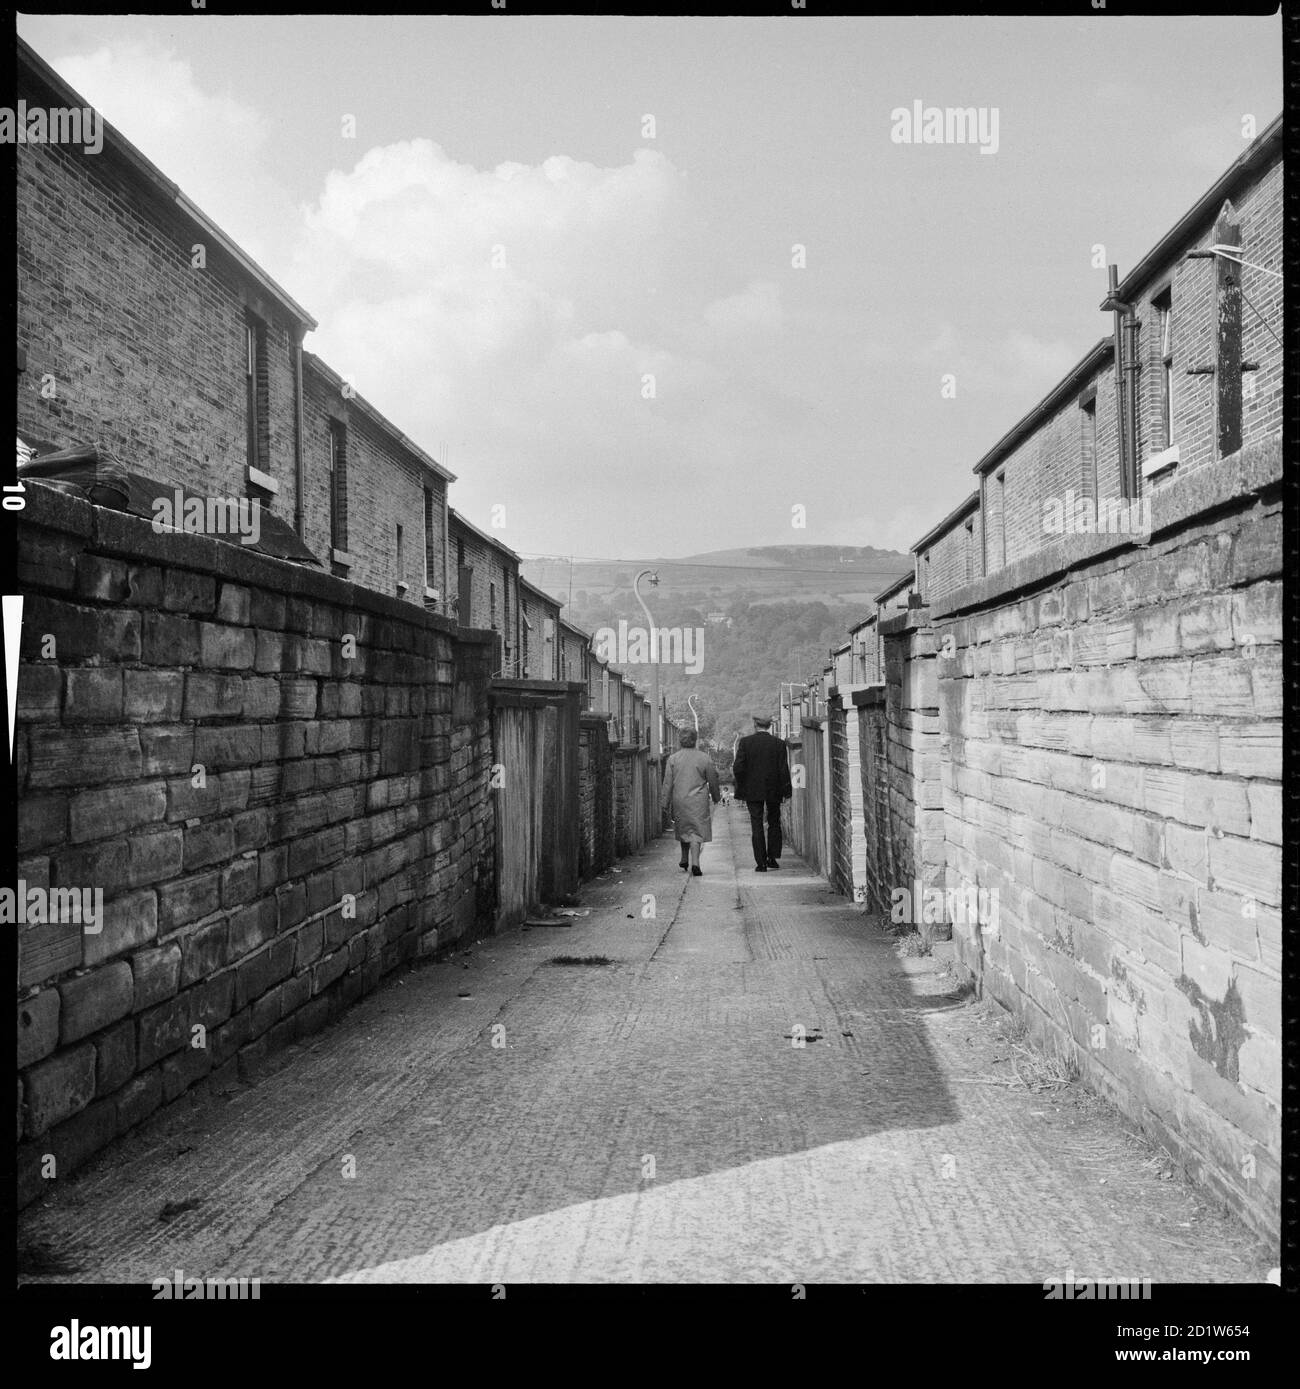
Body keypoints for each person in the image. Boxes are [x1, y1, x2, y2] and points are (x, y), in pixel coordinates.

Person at [733, 714, 792, 872]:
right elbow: (783, 769)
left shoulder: (746, 743)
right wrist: (787, 791)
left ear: (755, 725)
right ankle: (772, 858)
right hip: (774, 789)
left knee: (756, 824)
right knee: (774, 822)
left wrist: (743, 785)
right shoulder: (779, 744)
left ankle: (761, 863)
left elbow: (738, 768)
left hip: (752, 790)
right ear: (769, 726)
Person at [660, 727, 721, 876]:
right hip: (698, 800)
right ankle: (695, 863)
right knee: (696, 830)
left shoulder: (673, 759)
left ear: (680, 740)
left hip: (679, 799)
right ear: (695, 740)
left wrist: (664, 803)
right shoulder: (704, 758)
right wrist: (716, 796)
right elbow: (713, 780)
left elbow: (667, 783)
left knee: (683, 827)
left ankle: (683, 857)